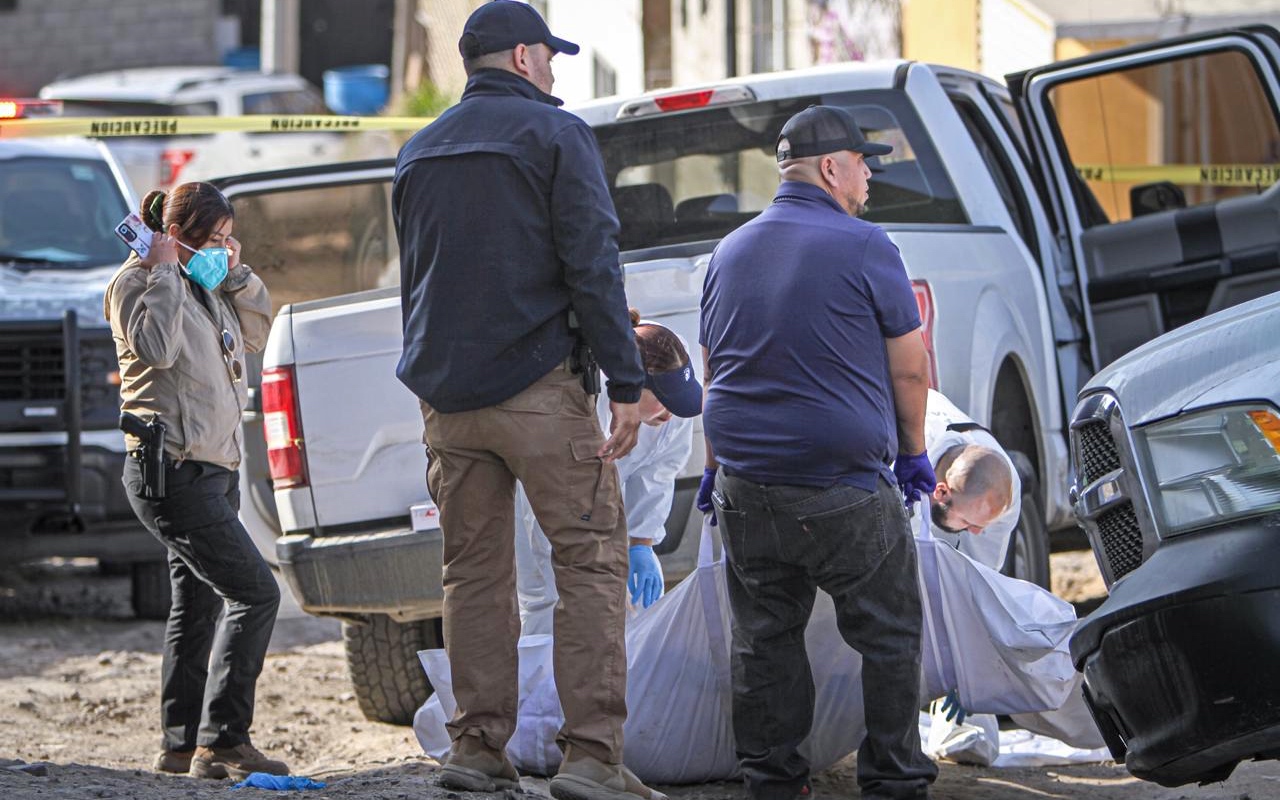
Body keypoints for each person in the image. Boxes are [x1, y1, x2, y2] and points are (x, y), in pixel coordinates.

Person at [391, 4, 665, 800]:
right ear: (521, 55)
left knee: (472, 575)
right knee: (589, 562)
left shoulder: (419, 148)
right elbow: (593, 262)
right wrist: (626, 379)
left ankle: (476, 750)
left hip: (447, 400)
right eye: (549, 55)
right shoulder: (556, 134)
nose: (555, 70)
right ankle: (590, 759)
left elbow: (419, 281)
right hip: (540, 388)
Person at [698, 104, 939, 800]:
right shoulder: (869, 247)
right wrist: (914, 453)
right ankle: (893, 780)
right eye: (864, 163)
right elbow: (910, 370)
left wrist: (716, 468)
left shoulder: (729, 251)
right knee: (890, 633)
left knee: (764, 639)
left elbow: (719, 374)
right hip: (841, 490)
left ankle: (774, 783)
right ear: (831, 168)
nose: (868, 177)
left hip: (747, 489)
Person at [104, 182, 287, 780]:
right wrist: (159, 273)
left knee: (198, 603)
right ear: (174, 238)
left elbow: (253, 338)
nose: (224, 249)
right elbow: (155, 350)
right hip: (174, 471)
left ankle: (180, 745)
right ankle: (224, 740)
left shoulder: (201, 285)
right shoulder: (136, 284)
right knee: (257, 594)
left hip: (216, 469)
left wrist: (234, 275)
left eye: (230, 239)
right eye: (214, 240)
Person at [517, 312, 701, 636]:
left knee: (616, 613)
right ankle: (542, 681)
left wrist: (641, 542)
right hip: (548, 504)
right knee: (549, 602)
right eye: (661, 402)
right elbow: (555, 504)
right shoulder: (585, 400)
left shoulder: (671, 377)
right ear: (628, 387)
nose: (670, 413)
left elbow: (659, 470)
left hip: (603, 501)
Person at [924, 389, 1019, 571]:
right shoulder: (899, 468)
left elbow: (983, 575)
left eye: (984, 524)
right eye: (968, 521)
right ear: (942, 491)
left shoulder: (1008, 494)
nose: (977, 532)